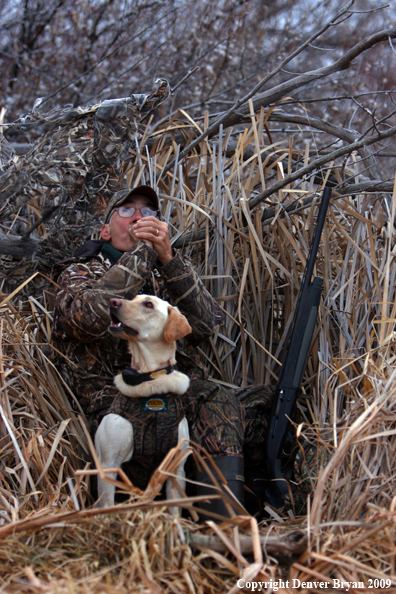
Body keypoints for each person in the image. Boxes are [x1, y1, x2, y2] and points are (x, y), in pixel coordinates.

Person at [52, 184, 250, 513]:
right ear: (105, 230)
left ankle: (228, 524)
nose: (139, 217)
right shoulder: (80, 272)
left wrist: (169, 259)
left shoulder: (164, 274)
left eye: (148, 212)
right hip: (115, 409)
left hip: (173, 399)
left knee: (255, 406)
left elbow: (205, 327)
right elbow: (85, 320)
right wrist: (143, 252)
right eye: (127, 210)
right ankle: (219, 526)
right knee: (215, 402)